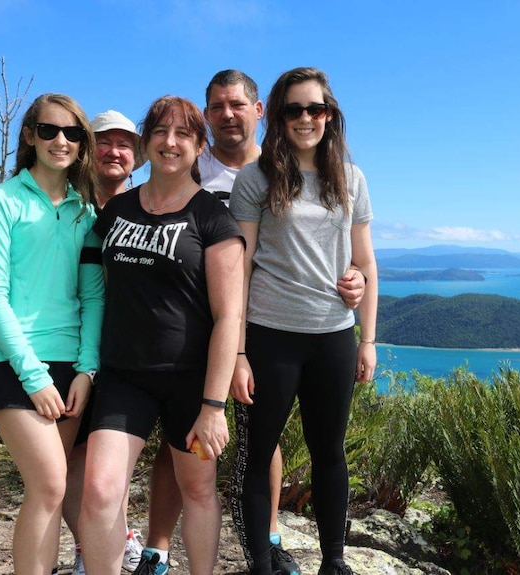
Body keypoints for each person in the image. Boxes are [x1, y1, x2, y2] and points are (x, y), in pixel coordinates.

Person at [135, 70, 366, 575]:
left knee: (264, 444)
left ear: (258, 111)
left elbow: (352, 255)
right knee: (184, 441)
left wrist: (358, 290)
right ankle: (159, 549)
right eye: (216, 106)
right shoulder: (196, 167)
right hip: (204, 327)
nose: (227, 113)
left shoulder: (307, 172)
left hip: (262, 326)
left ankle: (272, 545)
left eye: (236, 104)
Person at [78, 95, 245, 575]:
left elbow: (229, 316)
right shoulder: (117, 211)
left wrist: (213, 407)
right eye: (160, 132)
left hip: (191, 386)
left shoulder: (213, 218)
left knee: (197, 491)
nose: (170, 143)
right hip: (124, 378)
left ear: (198, 147)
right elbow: (102, 290)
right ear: (148, 141)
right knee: (100, 490)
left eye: (183, 135)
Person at [229, 68, 378, 575]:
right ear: (278, 116)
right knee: (258, 454)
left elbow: (365, 261)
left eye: (316, 108)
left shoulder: (351, 178)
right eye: (294, 109)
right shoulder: (257, 178)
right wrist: (238, 350)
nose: (306, 118)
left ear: (331, 115)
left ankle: (333, 562)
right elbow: (240, 262)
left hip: (334, 334)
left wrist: (369, 338)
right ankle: (262, 567)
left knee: (329, 451)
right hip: (270, 334)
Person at [0, 93, 103, 575]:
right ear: (30, 135)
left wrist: (88, 369)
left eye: (71, 133)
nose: (60, 141)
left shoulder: (85, 214)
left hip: (72, 366)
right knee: (49, 484)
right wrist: (33, 377)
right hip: (12, 363)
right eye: (48, 130)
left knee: (61, 489)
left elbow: (93, 298)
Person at [61, 110, 146, 575]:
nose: (115, 151)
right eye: (105, 142)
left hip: (123, 349)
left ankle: (119, 538)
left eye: (125, 144)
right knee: (73, 456)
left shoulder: (145, 206)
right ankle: (86, 548)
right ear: (89, 148)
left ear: (137, 156)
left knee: (108, 458)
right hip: (67, 345)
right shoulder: (69, 204)